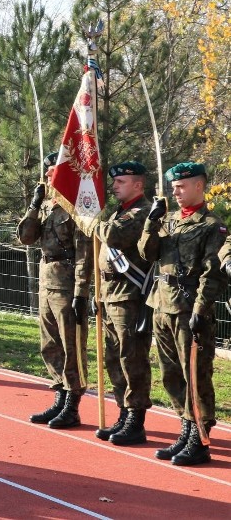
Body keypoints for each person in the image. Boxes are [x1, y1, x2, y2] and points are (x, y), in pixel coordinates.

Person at [139, 162, 226, 466]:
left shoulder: (212, 225)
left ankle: (200, 440)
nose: (175, 191)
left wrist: (201, 309)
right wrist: (151, 222)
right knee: (170, 374)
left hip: (189, 307)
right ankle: (185, 428)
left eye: (181, 186)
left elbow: (212, 273)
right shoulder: (168, 219)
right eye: (173, 186)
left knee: (195, 376)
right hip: (161, 304)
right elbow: (146, 253)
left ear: (199, 186)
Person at [17, 153, 92, 429]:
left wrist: (81, 292)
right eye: (47, 172)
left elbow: (85, 253)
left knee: (71, 344)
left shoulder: (78, 207)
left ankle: (72, 404)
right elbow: (26, 237)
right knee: (50, 343)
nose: (48, 176)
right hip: (46, 279)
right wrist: (34, 205)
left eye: (52, 173)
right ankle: (60, 395)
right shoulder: (48, 205)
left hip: (67, 282)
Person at [94, 161, 153, 445]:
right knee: (113, 358)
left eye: (121, 182)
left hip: (129, 295)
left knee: (132, 358)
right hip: (110, 293)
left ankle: (135, 419)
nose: (114, 186)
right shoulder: (121, 212)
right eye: (115, 182)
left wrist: (95, 220)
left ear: (138, 185)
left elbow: (113, 235)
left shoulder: (142, 212)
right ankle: (122, 411)